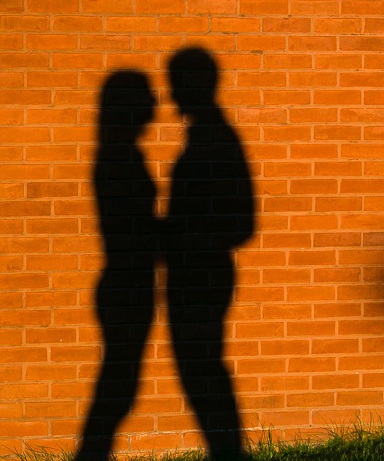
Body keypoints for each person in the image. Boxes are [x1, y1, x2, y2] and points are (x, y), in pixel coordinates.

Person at [163, 48, 255, 459]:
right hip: (198, 273)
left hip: (202, 276)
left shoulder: (215, 140)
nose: (170, 94)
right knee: (204, 373)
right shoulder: (206, 135)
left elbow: (241, 221)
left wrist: (182, 237)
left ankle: (228, 453)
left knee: (204, 374)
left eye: (176, 83)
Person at [76, 71, 158, 461]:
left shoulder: (119, 155)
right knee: (118, 385)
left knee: (118, 382)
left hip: (128, 281)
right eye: (146, 97)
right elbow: (133, 227)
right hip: (128, 282)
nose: (155, 104)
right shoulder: (120, 159)